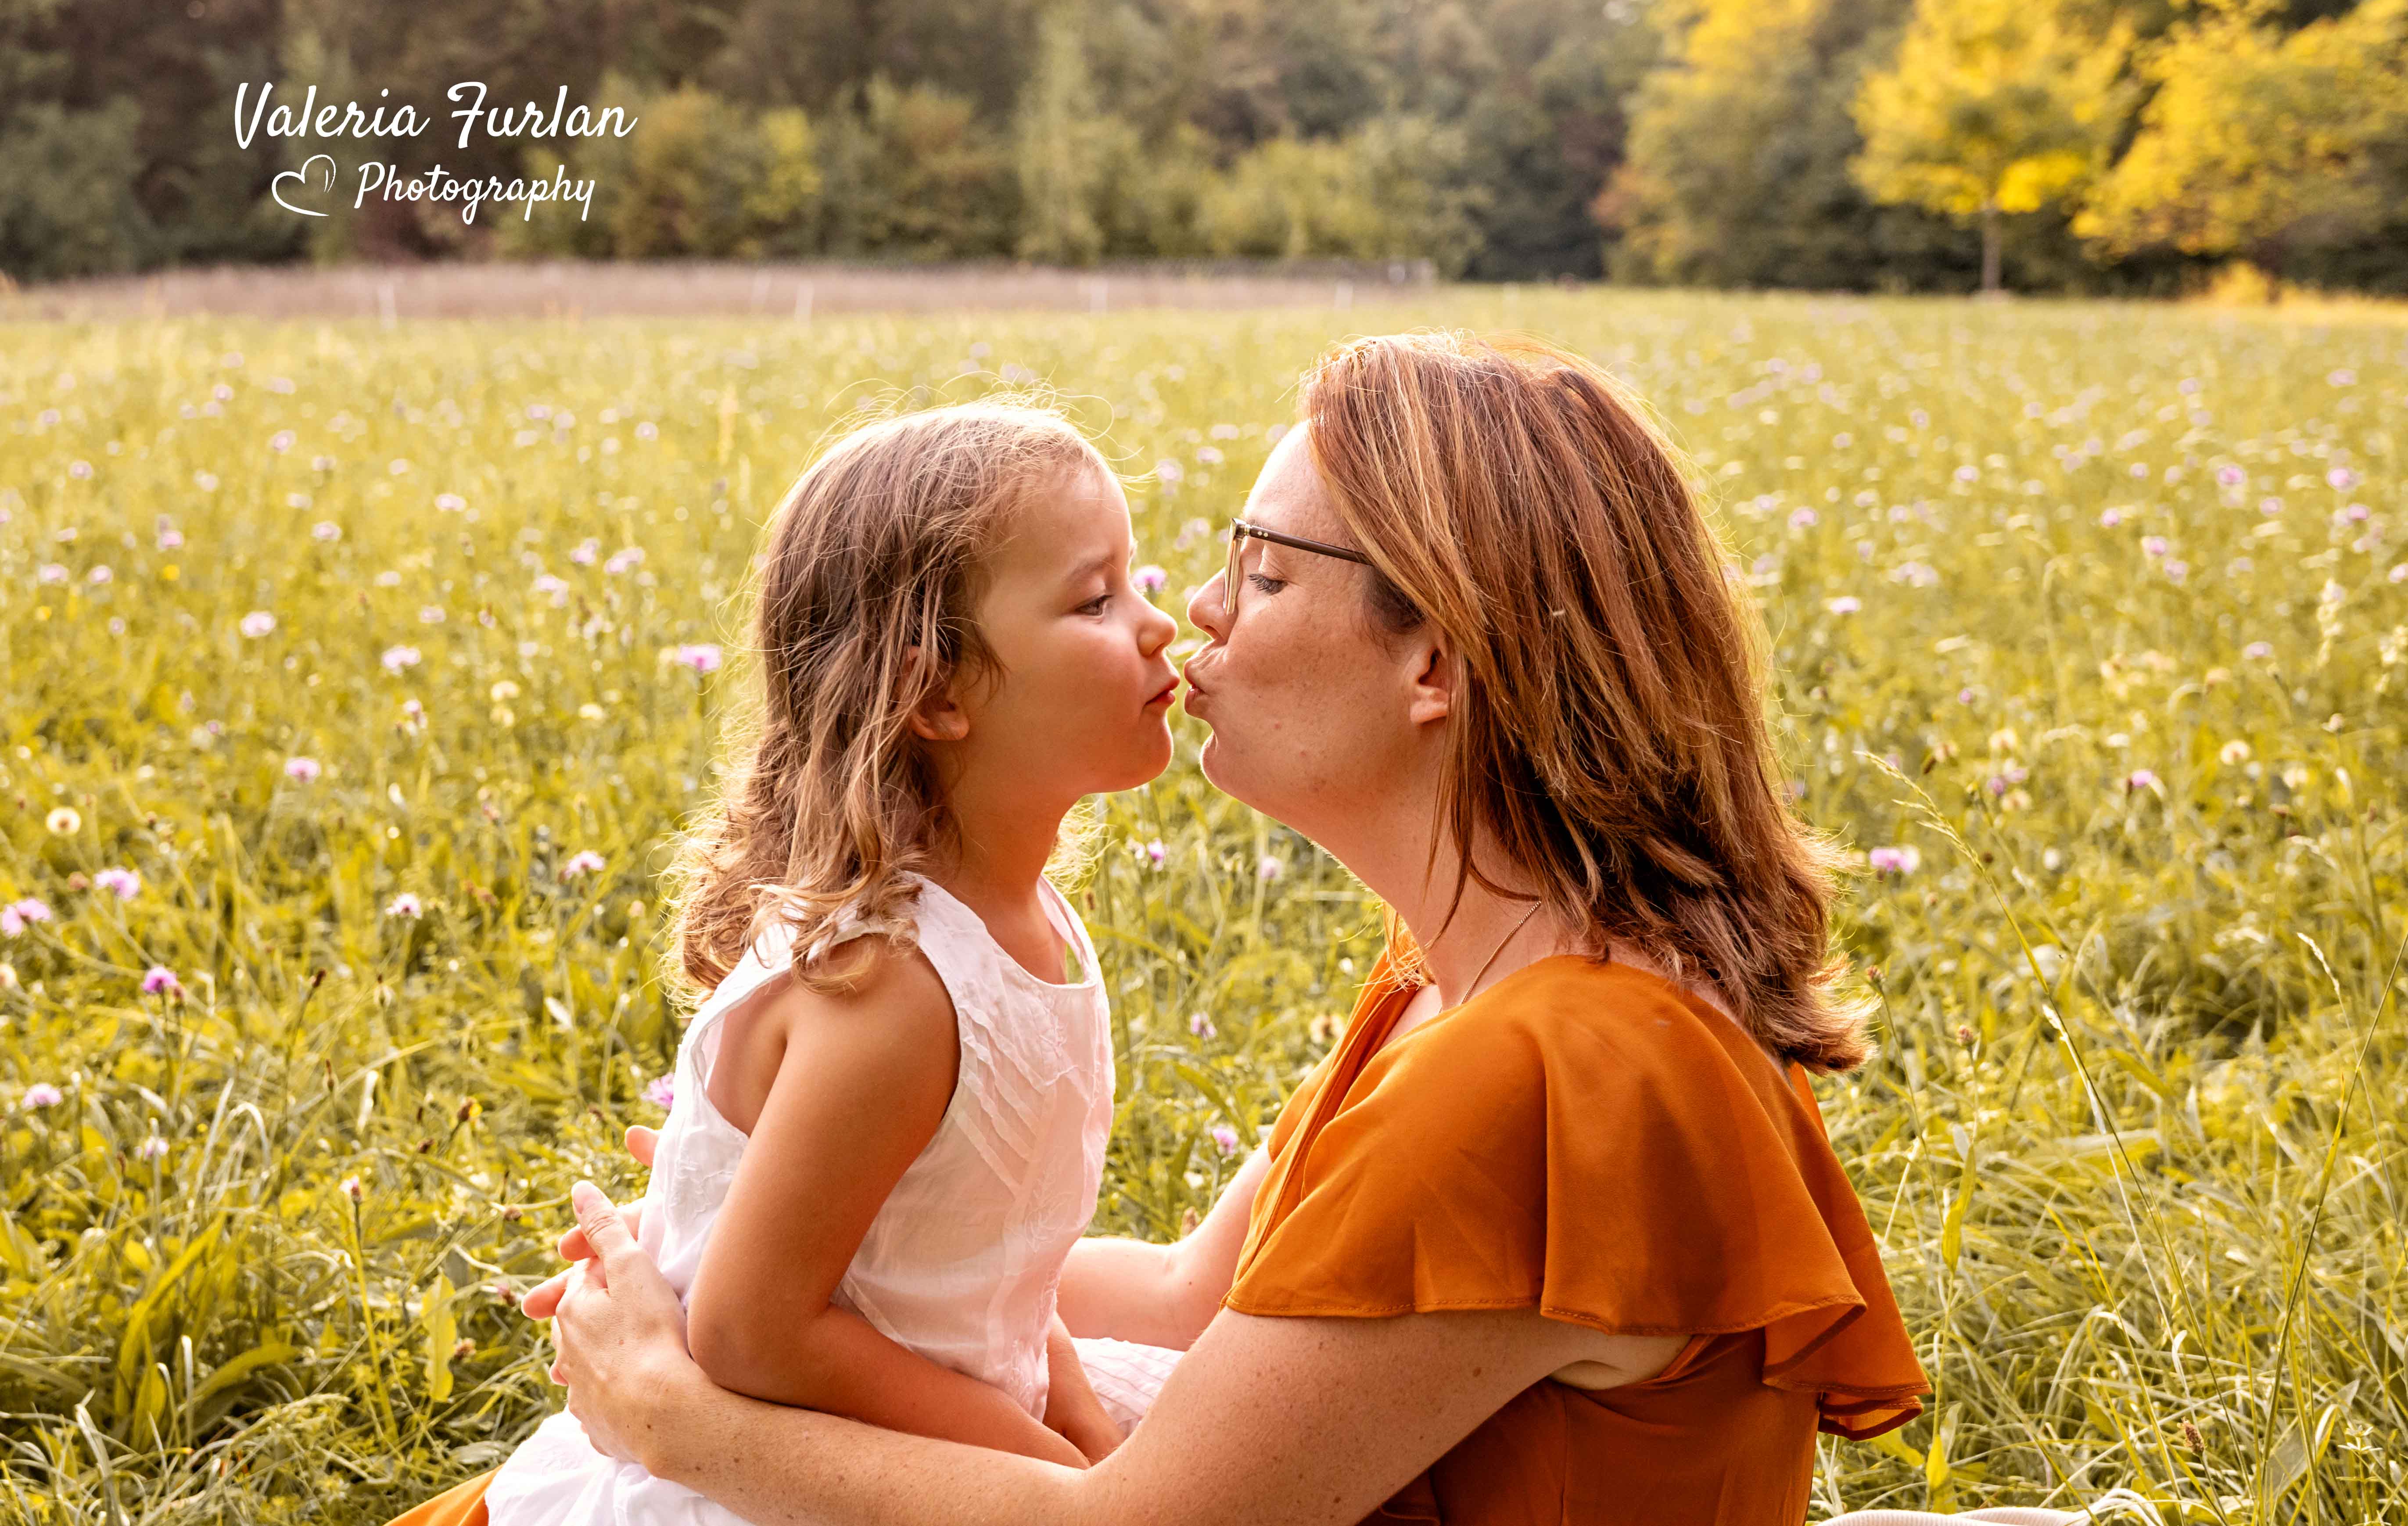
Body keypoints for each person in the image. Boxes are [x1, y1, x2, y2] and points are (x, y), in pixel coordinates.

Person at [388, 330, 1935, 1526]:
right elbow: (1198, 1299)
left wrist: (676, 1412)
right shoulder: (1482, 982)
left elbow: (1147, 1525)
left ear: (1436, 663)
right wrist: (768, 1238)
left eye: (1261, 569)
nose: (1194, 611)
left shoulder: (1550, 1071)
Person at [469, 398, 1190, 1526]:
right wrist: (1051, 1464)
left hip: (936, 1443)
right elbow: (752, 1333)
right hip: (774, 1486)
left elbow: (1002, 1265)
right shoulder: (890, 988)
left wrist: (1095, 1444)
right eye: (1094, 600)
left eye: (1131, 583)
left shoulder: (1026, 917)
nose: (1157, 624)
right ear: (935, 692)